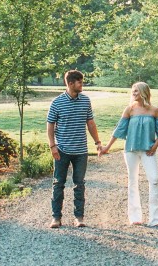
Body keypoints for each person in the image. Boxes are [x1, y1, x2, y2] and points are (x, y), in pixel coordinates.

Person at [100, 81, 158, 227]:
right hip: (130, 150)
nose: (133, 93)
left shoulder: (154, 110)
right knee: (132, 181)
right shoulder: (129, 110)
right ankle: (135, 217)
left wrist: (155, 146)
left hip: (148, 151)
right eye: (132, 90)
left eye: (136, 91)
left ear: (144, 92)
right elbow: (119, 130)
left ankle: (156, 219)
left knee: (154, 179)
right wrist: (107, 147)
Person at [47, 69, 105, 229]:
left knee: (79, 184)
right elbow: (50, 125)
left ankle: (79, 217)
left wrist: (97, 142)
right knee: (58, 183)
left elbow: (90, 123)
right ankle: (56, 218)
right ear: (71, 83)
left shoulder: (85, 101)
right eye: (80, 82)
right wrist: (53, 146)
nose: (82, 85)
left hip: (81, 151)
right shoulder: (57, 102)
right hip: (62, 150)